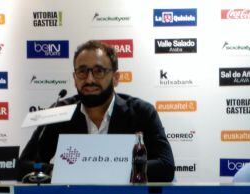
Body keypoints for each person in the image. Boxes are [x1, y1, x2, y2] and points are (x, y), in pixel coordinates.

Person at [19, 40, 175, 182]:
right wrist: (62, 171)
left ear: (115, 77)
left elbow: (166, 167)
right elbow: (23, 166)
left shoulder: (142, 112)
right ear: (74, 78)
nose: (89, 79)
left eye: (98, 71)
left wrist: (102, 170)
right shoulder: (58, 112)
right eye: (82, 71)